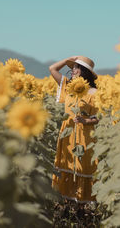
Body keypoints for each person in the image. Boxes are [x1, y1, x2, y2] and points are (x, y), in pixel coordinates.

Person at [49, 56, 99, 203]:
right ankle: (65, 205)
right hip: (68, 134)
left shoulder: (93, 93)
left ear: (85, 72)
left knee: (83, 167)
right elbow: (52, 69)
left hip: (85, 135)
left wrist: (86, 120)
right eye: (73, 67)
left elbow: (98, 118)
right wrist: (66, 61)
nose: (73, 70)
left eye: (77, 67)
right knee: (67, 164)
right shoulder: (68, 86)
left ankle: (82, 207)